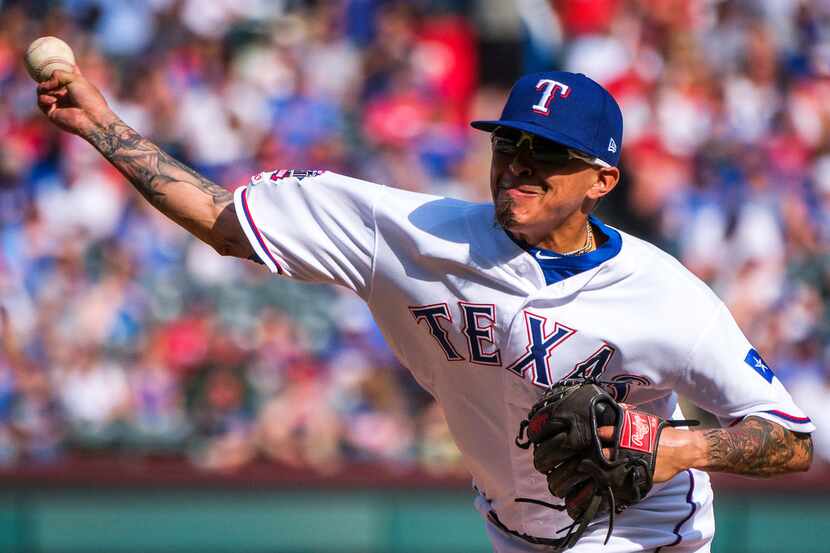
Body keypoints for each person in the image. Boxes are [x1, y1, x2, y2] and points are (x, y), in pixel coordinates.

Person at [35, 67, 814, 553]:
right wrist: (98, 124)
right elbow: (219, 219)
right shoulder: (407, 232)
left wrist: (673, 446)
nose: (520, 165)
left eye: (548, 154)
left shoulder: (665, 293)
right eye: (509, 143)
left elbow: (791, 439)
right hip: (511, 528)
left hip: (642, 532)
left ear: (601, 180)